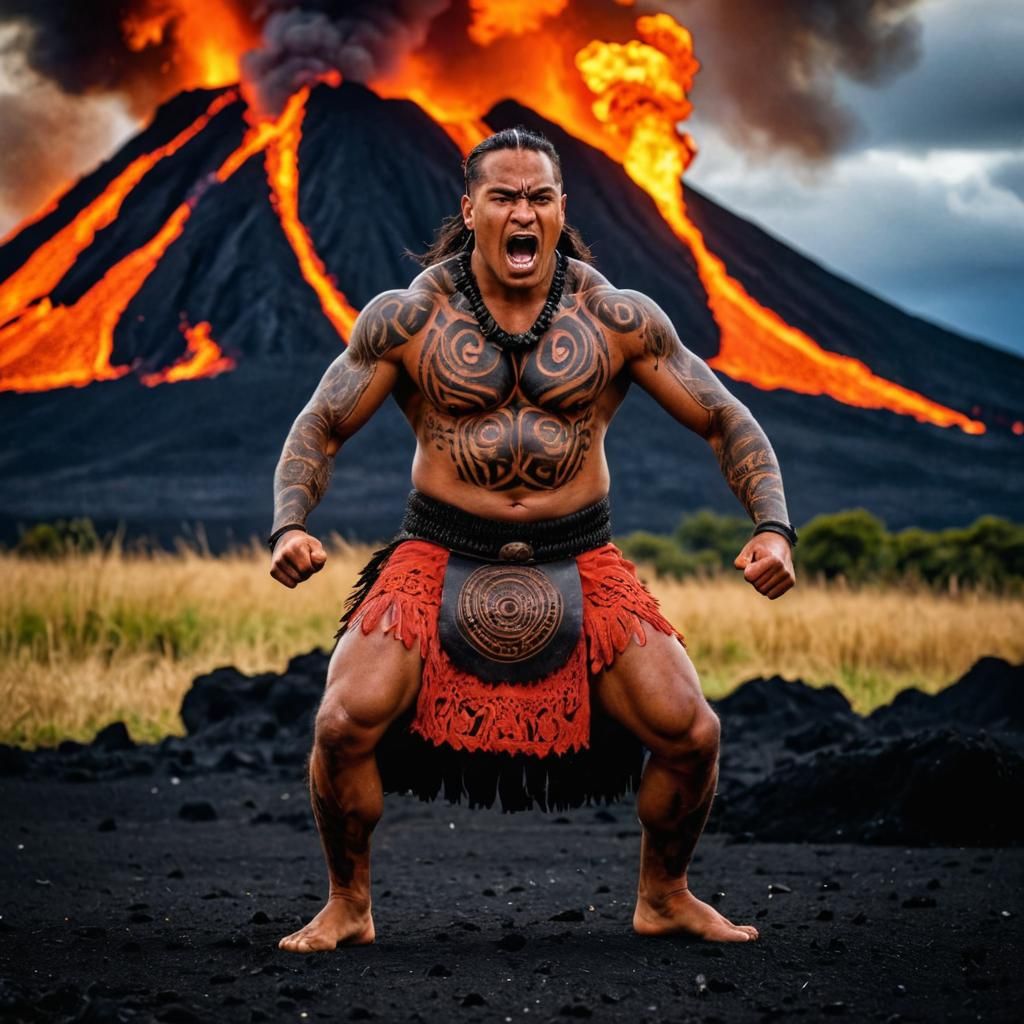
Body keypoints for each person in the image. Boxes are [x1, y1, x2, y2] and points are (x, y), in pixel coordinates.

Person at [268, 126, 797, 953]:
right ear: (470, 207)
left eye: (540, 196)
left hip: (579, 555)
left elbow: (724, 417)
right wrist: (290, 524)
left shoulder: (617, 316)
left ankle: (664, 896)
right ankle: (348, 905)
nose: (524, 211)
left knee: (693, 733)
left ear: (560, 210)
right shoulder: (408, 317)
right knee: (342, 724)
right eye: (506, 195)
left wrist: (772, 527)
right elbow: (323, 422)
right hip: (438, 550)